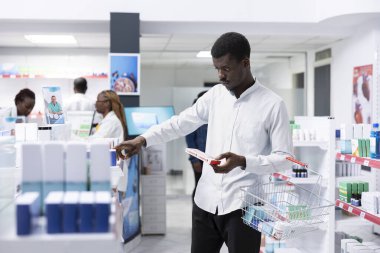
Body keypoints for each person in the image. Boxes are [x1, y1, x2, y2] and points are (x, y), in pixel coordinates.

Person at [115, 32, 293, 253]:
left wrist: (243, 161)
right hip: (205, 202)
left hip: (245, 206)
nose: (220, 75)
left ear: (245, 63)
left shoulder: (273, 105)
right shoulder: (215, 96)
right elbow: (180, 123)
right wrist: (142, 140)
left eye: (226, 68)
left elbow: (285, 159)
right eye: (216, 68)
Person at [185, 91, 208, 200]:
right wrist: (194, 160)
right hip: (199, 159)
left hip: (212, 159)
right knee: (199, 187)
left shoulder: (212, 115)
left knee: (208, 188)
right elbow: (190, 140)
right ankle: (198, 215)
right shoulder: (194, 116)